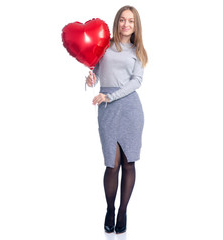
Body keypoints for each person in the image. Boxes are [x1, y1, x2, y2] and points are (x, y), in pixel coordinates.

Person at [86, 5, 148, 234]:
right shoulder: (104, 45)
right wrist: (91, 80)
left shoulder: (138, 50)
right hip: (107, 108)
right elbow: (97, 75)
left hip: (130, 108)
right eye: (122, 20)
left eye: (130, 21)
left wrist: (110, 96)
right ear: (117, 22)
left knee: (128, 162)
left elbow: (136, 82)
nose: (126, 25)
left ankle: (123, 212)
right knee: (111, 165)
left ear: (135, 25)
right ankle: (110, 209)